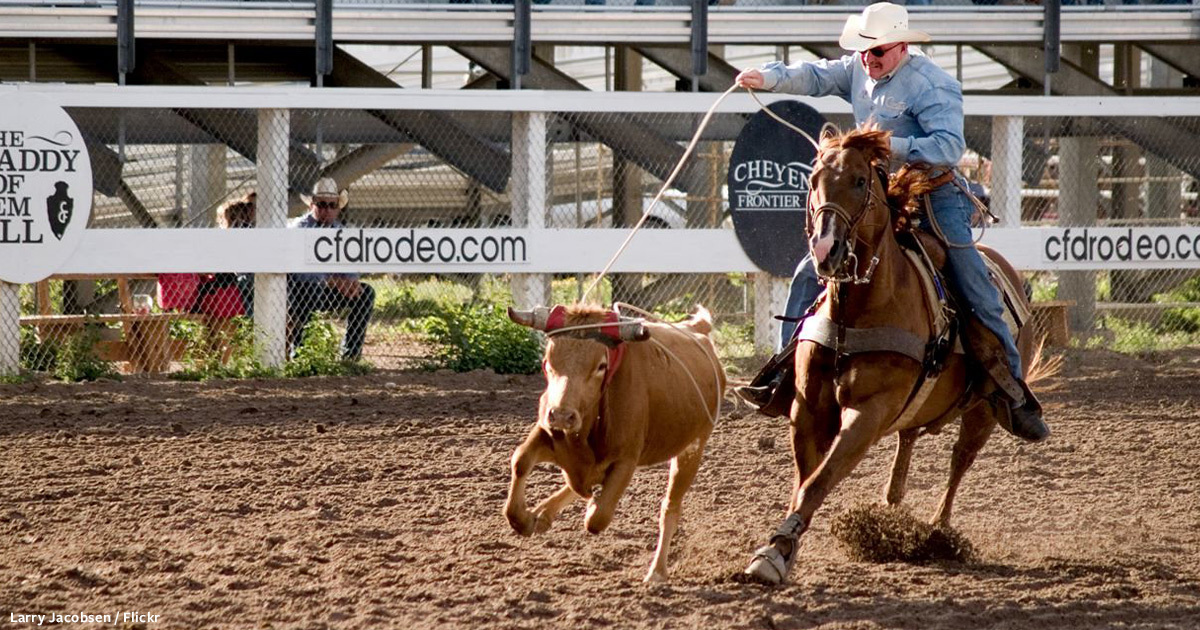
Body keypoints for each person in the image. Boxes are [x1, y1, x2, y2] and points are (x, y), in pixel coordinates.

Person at [732, 2, 1048, 442]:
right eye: (863, 50)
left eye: (877, 50)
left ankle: (1012, 391)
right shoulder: (859, 68)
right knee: (810, 269)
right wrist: (766, 78)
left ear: (901, 46)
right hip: (877, 192)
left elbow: (947, 148)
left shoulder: (933, 85)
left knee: (973, 282)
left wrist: (884, 145)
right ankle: (787, 375)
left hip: (934, 194)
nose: (868, 59)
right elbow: (816, 75)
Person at [287, 178, 375, 362]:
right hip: (299, 290)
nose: (327, 210)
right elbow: (301, 273)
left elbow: (349, 266)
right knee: (310, 289)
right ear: (312, 205)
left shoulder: (340, 231)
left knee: (365, 293)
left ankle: (350, 354)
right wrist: (333, 281)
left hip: (328, 289)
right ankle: (302, 354)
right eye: (322, 205)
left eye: (332, 205)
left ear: (337, 208)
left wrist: (351, 282)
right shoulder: (300, 228)